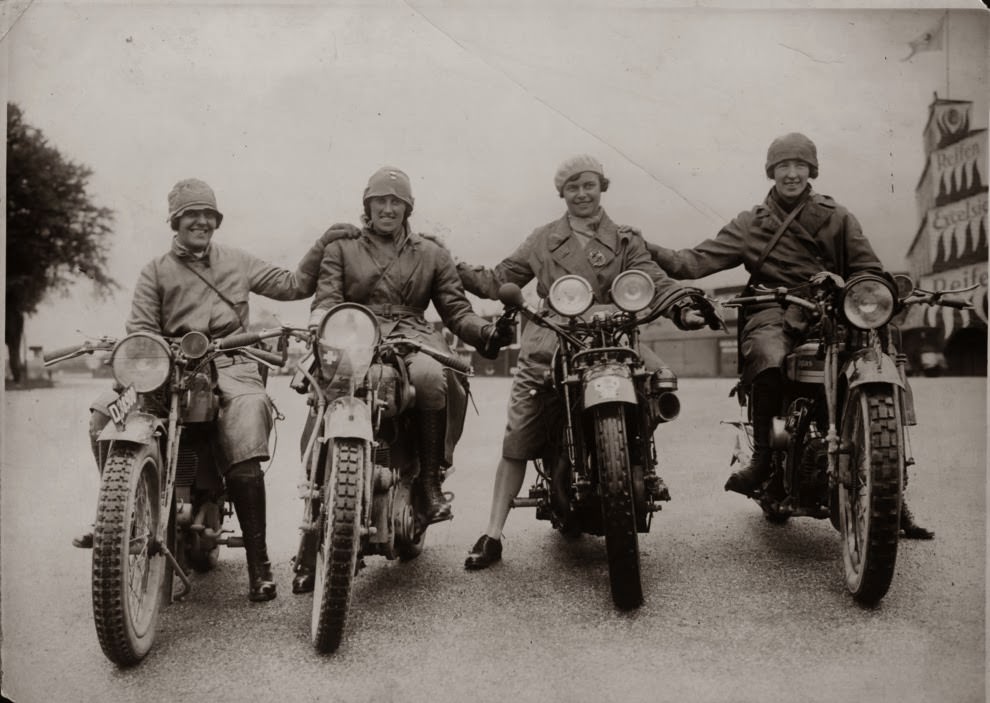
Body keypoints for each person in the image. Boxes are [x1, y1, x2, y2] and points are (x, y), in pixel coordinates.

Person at [77, 178, 356, 602]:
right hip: (169, 366)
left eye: (209, 215)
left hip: (231, 362)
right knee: (104, 412)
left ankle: (259, 565)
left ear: (217, 221)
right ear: (175, 220)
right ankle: (123, 517)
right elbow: (140, 331)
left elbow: (293, 285)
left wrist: (322, 243)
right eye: (192, 214)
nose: (202, 222)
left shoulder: (238, 261)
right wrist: (145, 363)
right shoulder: (155, 271)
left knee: (247, 412)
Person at [645, 132, 933, 539]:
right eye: (783, 166)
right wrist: (642, 245)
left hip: (832, 309)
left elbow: (868, 268)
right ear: (772, 172)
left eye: (800, 165)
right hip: (773, 309)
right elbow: (690, 262)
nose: (792, 173)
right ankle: (763, 457)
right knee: (767, 354)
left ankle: (891, 489)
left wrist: (853, 285)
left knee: (879, 354)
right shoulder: (751, 224)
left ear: (811, 170)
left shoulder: (838, 217)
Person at [455, 155, 708, 570]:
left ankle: (639, 464)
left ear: (602, 187)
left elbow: (652, 280)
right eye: (572, 187)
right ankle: (493, 532)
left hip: (615, 335)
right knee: (520, 427)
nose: (582, 193)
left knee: (659, 379)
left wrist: (683, 310)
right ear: (562, 193)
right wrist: (452, 263)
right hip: (553, 337)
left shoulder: (626, 239)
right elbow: (499, 277)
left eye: (589, 184)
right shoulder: (543, 239)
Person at [290, 166, 510, 594]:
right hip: (354, 333)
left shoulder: (431, 253)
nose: (388, 208)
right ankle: (311, 533)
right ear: (367, 205)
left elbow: (455, 309)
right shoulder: (341, 247)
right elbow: (327, 299)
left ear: (408, 207)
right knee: (326, 397)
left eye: (397, 201)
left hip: (413, 335)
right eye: (380, 201)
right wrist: (319, 325)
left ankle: (428, 483)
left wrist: (485, 332)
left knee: (431, 378)